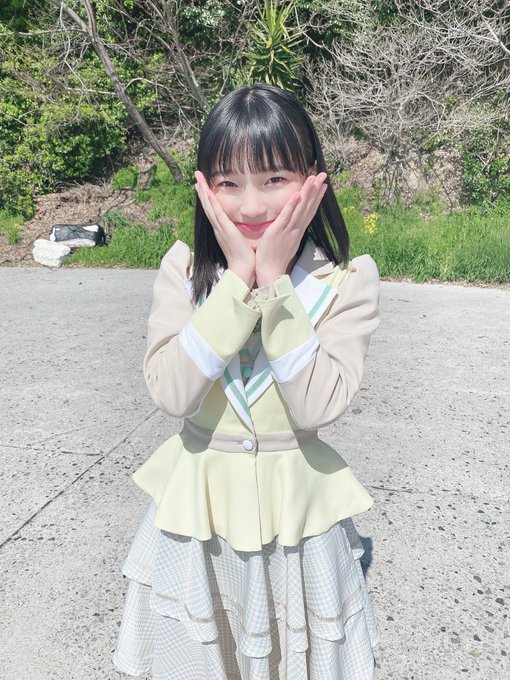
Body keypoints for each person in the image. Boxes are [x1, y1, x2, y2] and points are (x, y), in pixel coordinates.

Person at [112, 83, 381, 679]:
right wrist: (236, 281)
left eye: (274, 178)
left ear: (313, 180)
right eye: (228, 183)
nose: (252, 206)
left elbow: (316, 406)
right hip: (197, 520)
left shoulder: (344, 283)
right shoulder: (185, 272)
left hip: (298, 525)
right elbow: (172, 393)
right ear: (204, 188)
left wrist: (277, 285)